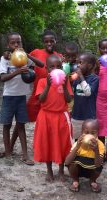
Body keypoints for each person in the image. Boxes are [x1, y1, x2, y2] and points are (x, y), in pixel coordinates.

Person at [0, 32, 42, 165]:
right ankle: (8, 152)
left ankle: (25, 155)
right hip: (9, 97)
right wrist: (17, 71)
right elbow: (3, 78)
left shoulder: (24, 58)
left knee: (21, 125)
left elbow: (40, 64)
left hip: (22, 97)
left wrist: (27, 55)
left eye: (19, 42)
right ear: (8, 45)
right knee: (6, 125)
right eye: (13, 43)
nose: (16, 45)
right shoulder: (5, 58)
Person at [33, 54, 73, 182]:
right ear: (47, 69)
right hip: (45, 117)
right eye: (52, 67)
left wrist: (66, 84)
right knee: (47, 143)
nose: (55, 69)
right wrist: (48, 86)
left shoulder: (64, 81)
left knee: (62, 144)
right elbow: (41, 99)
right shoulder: (42, 81)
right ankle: (49, 171)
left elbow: (69, 99)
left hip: (61, 116)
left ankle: (61, 170)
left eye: (59, 66)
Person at [26, 29, 62, 122]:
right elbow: (23, 60)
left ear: (55, 41)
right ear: (43, 42)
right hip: (36, 95)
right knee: (23, 120)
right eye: (46, 42)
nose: (49, 43)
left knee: (47, 121)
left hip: (51, 97)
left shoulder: (59, 57)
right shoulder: (36, 52)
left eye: (51, 41)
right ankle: (14, 137)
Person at [65, 119, 104, 193]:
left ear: (98, 133)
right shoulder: (78, 143)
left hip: (92, 168)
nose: (89, 135)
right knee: (72, 164)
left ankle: (92, 181)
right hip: (79, 169)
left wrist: (96, 150)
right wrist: (77, 147)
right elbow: (67, 162)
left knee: (99, 167)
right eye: (86, 132)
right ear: (81, 133)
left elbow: (98, 165)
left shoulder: (100, 145)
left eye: (93, 133)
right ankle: (75, 180)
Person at [71, 52, 99, 140]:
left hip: (88, 117)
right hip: (76, 116)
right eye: (77, 63)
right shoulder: (77, 79)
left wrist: (81, 76)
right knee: (76, 140)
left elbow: (88, 92)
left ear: (90, 66)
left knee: (88, 140)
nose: (78, 65)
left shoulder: (94, 79)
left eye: (81, 63)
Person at [62, 42, 80, 113]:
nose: (70, 59)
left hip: (77, 93)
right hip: (66, 93)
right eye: (68, 56)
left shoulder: (79, 65)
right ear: (64, 55)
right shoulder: (62, 64)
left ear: (77, 55)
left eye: (73, 56)